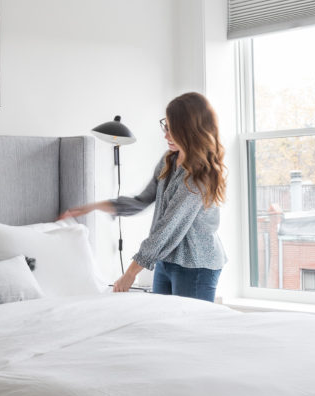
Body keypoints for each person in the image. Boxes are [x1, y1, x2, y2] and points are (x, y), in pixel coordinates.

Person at [61, 92, 227, 302]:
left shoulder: (198, 178)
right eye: (166, 126)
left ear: (190, 131)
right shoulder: (170, 160)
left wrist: (130, 273)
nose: (166, 135)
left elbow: (168, 228)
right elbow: (142, 200)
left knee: (187, 331)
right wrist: (96, 206)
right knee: (161, 328)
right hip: (166, 261)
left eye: (173, 129)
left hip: (195, 265)